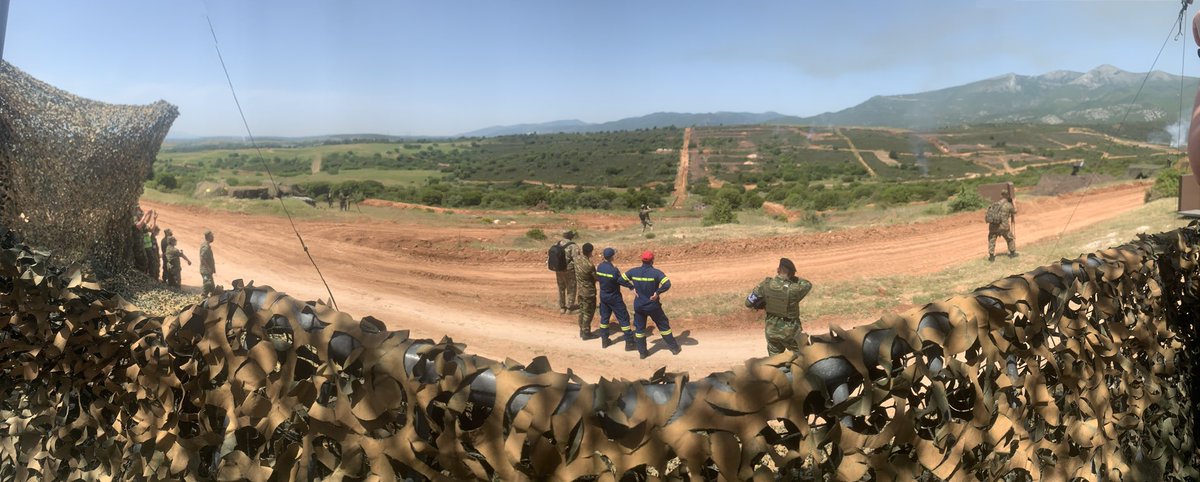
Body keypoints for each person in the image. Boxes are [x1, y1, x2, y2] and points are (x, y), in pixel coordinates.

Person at [745, 258, 812, 356]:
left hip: (771, 331)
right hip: (791, 333)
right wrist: (791, 278)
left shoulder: (765, 285)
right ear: (792, 273)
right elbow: (807, 284)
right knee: (805, 357)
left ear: (778, 270)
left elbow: (748, 303)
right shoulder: (795, 289)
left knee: (775, 362)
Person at [625, 251, 681, 358]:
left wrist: (631, 287)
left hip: (639, 306)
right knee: (663, 325)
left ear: (642, 260)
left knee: (639, 329)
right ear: (652, 261)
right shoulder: (656, 273)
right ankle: (674, 348)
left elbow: (621, 279)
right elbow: (667, 284)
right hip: (652, 306)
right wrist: (657, 292)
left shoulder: (634, 271)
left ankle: (642, 353)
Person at [596, 247, 636, 350]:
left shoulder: (599, 267)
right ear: (612, 257)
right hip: (614, 297)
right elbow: (621, 280)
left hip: (604, 296)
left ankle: (604, 341)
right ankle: (629, 343)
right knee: (623, 318)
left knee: (604, 318)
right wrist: (631, 286)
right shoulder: (614, 270)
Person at [573, 243, 600, 340]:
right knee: (589, 312)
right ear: (590, 252)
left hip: (580, 291)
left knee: (582, 311)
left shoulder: (577, 260)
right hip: (589, 292)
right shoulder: (589, 265)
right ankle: (586, 333)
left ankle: (582, 330)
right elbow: (596, 277)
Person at [549, 230, 580, 313]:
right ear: (571, 236)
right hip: (569, 270)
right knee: (571, 288)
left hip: (558, 269)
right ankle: (569, 308)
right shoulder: (573, 246)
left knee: (561, 288)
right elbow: (577, 260)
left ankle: (562, 307)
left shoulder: (557, 244)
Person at [985, 191, 1018, 262]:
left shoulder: (995, 204)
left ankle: (991, 256)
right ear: (1008, 196)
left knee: (992, 240)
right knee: (1010, 239)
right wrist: (1014, 202)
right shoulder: (1008, 205)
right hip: (1003, 226)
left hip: (993, 225)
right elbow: (1015, 211)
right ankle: (1012, 253)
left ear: (1001, 196)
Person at [199, 230, 218, 297]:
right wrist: (208, 268)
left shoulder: (206, 245)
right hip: (206, 271)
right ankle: (202, 299)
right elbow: (202, 258)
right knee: (207, 285)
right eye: (212, 236)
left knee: (212, 288)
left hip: (207, 271)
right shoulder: (206, 247)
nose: (213, 237)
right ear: (209, 237)